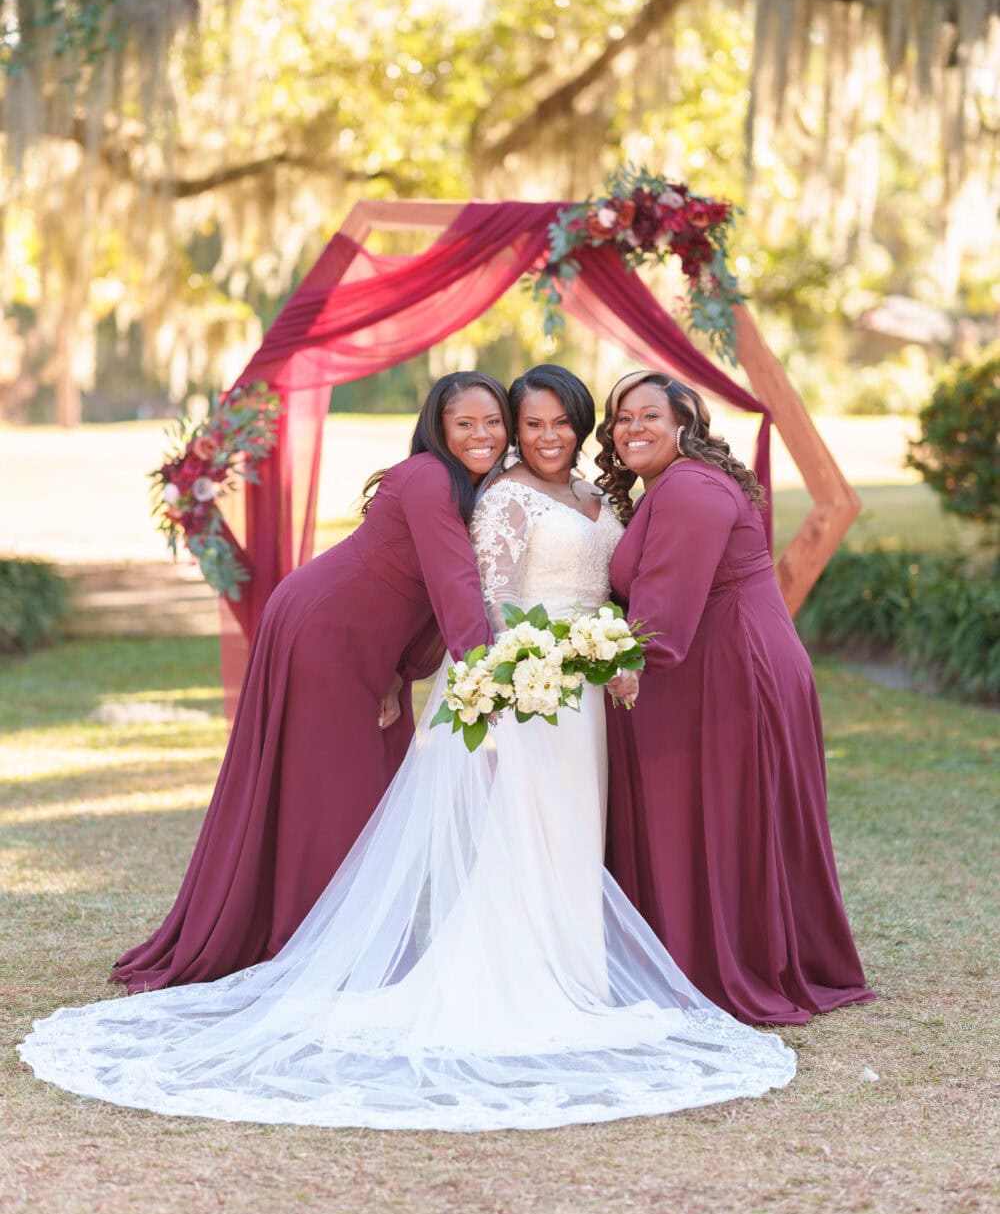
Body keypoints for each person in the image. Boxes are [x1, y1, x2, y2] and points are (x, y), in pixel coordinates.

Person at [20, 364, 795, 1132]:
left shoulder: (600, 498)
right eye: (528, 424)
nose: (543, 436)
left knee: (571, 830)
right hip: (524, 684)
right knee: (520, 827)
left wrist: (424, 664)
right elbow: (472, 594)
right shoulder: (499, 499)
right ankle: (512, 972)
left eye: (561, 422)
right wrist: (485, 688)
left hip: (584, 691)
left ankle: (578, 970)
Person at [111, 372, 512, 993]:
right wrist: (491, 680)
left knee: (374, 772)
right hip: (325, 627)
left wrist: (397, 671)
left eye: (493, 422)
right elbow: (454, 589)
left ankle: (347, 928)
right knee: (335, 787)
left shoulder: (477, 486)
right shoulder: (431, 478)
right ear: (438, 428)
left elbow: (430, 594)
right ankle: (314, 939)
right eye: (465, 424)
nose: (481, 435)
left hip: (361, 640)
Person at [598, 370, 875, 1026]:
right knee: (723, 814)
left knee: (727, 813)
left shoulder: (690, 489)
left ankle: (737, 960)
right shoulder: (668, 487)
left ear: (685, 426)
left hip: (733, 670)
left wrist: (634, 658)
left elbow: (666, 601)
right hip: (720, 660)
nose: (633, 428)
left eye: (649, 416)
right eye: (621, 418)